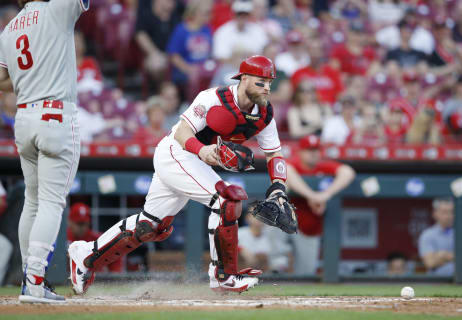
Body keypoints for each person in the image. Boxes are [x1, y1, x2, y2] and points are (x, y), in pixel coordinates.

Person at [68, 55, 292, 294]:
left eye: (270, 82)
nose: (267, 87)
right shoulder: (214, 98)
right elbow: (182, 133)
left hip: (194, 163)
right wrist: (202, 150)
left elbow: (274, 154)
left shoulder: (265, 114)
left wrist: (279, 186)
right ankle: (222, 276)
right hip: (177, 152)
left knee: (149, 225)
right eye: (261, 81)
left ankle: (85, 256)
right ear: (244, 78)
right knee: (227, 200)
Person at [0, 0, 85, 303]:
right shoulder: (57, 9)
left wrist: (31, 76)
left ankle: (30, 277)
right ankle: (35, 283)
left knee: (33, 203)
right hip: (55, 115)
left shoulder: (9, 28)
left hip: (24, 117)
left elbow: (1, 79)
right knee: (51, 201)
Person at [280, 134, 355, 275]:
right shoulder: (292, 164)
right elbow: (285, 170)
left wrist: (326, 195)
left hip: (308, 229)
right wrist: (312, 196)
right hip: (285, 224)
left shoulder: (323, 166)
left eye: (316, 150)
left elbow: (348, 172)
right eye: (309, 150)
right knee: (277, 264)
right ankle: (276, 265)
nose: (314, 154)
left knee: (305, 273)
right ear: (301, 152)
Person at [67, 203, 122, 273]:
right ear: (70, 222)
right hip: (66, 280)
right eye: (79, 224)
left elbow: (116, 251)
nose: (82, 228)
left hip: (97, 280)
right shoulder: (62, 240)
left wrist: (114, 273)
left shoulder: (98, 239)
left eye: (84, 223)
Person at [418, 197, 455, 276]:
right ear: (435, 214)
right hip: (435, 282)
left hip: (461, 282)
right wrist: (453, 256)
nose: (449, 216)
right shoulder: (427, 235)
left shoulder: (461, 233)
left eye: (451, 212)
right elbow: (430, 263)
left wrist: (442, 255)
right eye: (444, 212)